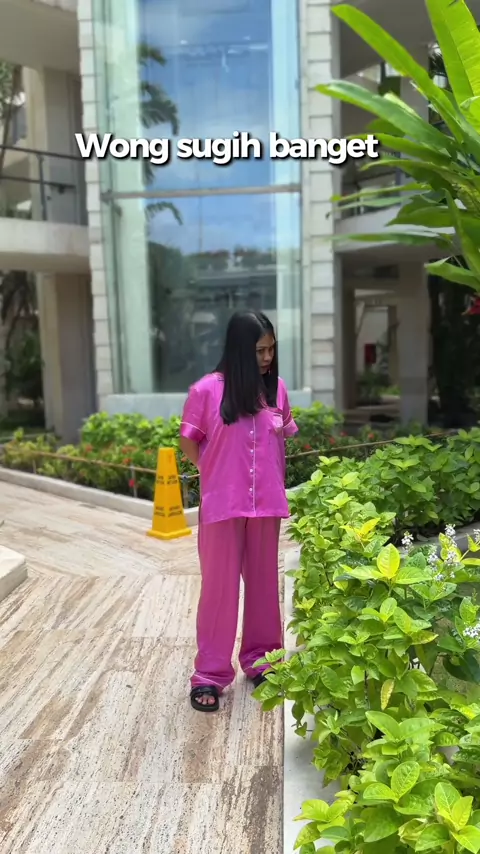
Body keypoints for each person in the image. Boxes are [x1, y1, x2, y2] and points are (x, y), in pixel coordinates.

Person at [179, 310, 298, 712]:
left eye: (271, 349)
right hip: (222, 506)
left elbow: (282, 436)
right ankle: (209, 674)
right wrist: (214, 473)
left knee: (263, 585)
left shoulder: (276, 389)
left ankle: (263, 661)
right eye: (259, 350)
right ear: (239, 350)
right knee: (219, 589)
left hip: (266, 504)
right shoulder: (206, 391)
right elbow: (190, 441)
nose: (267, 358)